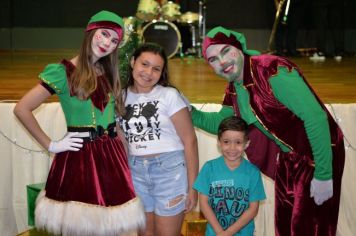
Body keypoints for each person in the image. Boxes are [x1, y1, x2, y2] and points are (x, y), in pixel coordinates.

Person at [191, 26, 345, 236]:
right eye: (213, 60)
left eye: (225, 51)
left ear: (238, 47)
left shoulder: (271, 71)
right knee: (284, 225)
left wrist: (324, 174)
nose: (222, 62)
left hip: (316, 152)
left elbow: (315, 118)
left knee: (308, 227)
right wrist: (187, 111)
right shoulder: (235, 87)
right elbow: (223, 122)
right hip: (288, 157)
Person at [13, 10, 145, 236]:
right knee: (81, 228)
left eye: (114, 40)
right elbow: (22, 108)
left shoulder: (109, 72)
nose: (107, 43)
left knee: (115, 228)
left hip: (112, 156)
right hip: (80, 158)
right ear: (90, 31)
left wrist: (128, 155)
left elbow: (113, 121)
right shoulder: (62, 72)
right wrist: (51, 145)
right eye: (104, 34)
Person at [118, 42, 199, 236]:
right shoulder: (120, 97)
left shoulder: (169, 95)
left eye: (156, 68)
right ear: (132, 62)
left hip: (169, 171)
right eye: (144, 64)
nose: (148, 72)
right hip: (136, 172)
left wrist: (193, 187)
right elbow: (122, 141)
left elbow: (190, 141)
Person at [193, 116, 266, 236]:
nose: (232, 148)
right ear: (219, 142)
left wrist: (228, 233)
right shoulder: (209, 168)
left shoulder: (253, 172)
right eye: (226, 142)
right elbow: (204, 203)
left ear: (246, 144)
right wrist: (219, 232)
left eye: (238, 142)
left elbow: (253, 209)